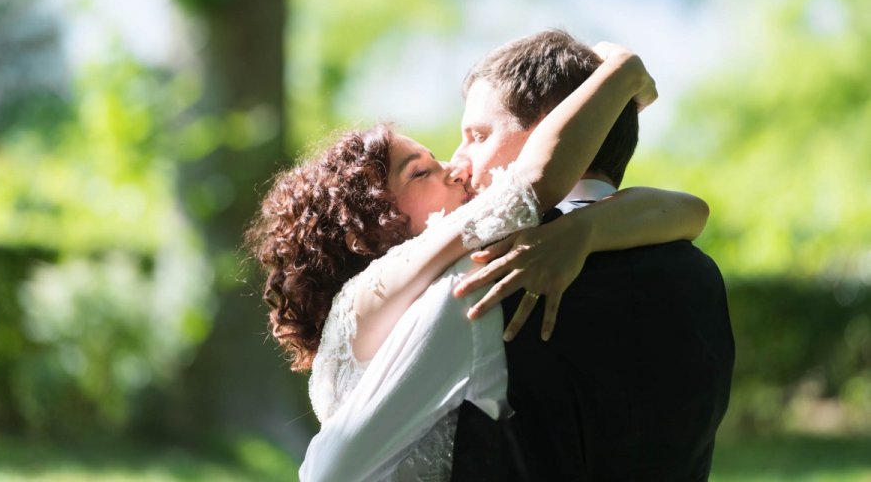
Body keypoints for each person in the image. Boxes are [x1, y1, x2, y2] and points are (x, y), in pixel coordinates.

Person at [246, 40, 709, 480]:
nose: (457, 165)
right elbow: (530, 185)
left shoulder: (470, 279)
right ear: (374, 227)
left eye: (477, 136)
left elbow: (692, 209)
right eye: (421, 171)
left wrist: (583, 229)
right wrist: (620, 71)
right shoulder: (386, 290)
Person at [446, 29, 735, 480]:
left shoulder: (493, 261)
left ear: (563, 127)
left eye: (478, 135)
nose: (456, 159)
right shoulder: (700, 271)